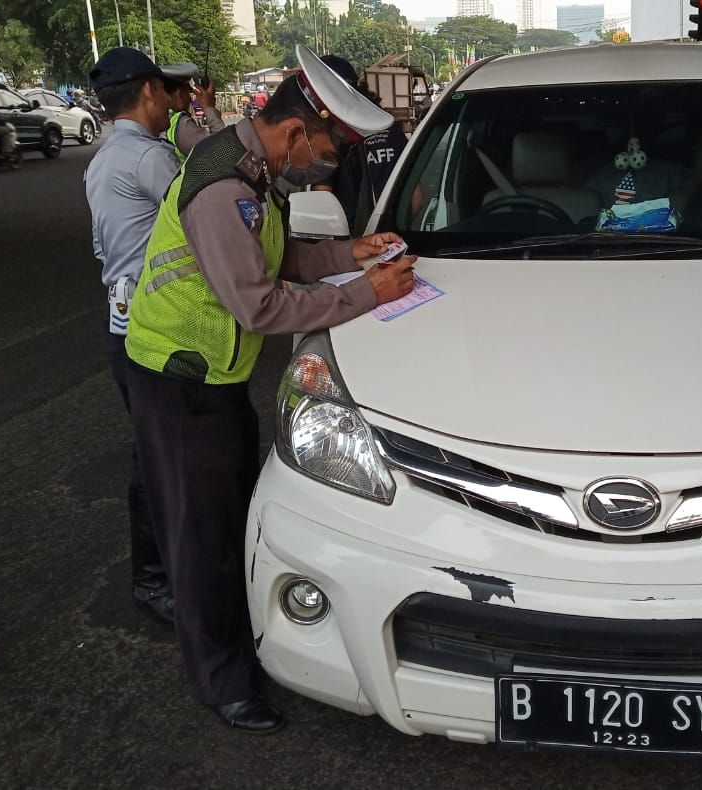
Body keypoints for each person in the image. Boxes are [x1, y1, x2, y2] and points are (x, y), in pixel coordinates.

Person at [121, 46, 416, 734]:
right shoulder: (227, 188)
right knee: (200, 538)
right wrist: (364, 296)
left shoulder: (254, 170)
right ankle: (222, 682)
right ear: (293, 134)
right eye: (327, 148)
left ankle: (233, 647)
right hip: (179, 380)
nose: (328, 163)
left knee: (225, 523)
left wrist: (353, 256)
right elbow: (261, 305)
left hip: (213, 380)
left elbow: (280, 254)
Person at [83, 47, 187, 628]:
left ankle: (162, 575)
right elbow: (201, 223)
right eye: (165, 88)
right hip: (150, 331)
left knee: (154, 451)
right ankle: (155, 582)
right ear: (149, 91)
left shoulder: (103, 159)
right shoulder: (150, 159)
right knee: (157, 458)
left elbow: (105, 248)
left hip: (119, 323)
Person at [316, 54, 410, 231]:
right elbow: (417, 199)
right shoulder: (389, 129)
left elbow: (322, 207)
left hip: (351, 247)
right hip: (395, 242)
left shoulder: (326, 141)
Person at [159, 63, 225, 161]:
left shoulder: (153, 118)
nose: (190, 98)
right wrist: (209, 108)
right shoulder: (180, 125)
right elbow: (222, 151)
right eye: (188, 92)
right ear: (180, 94)